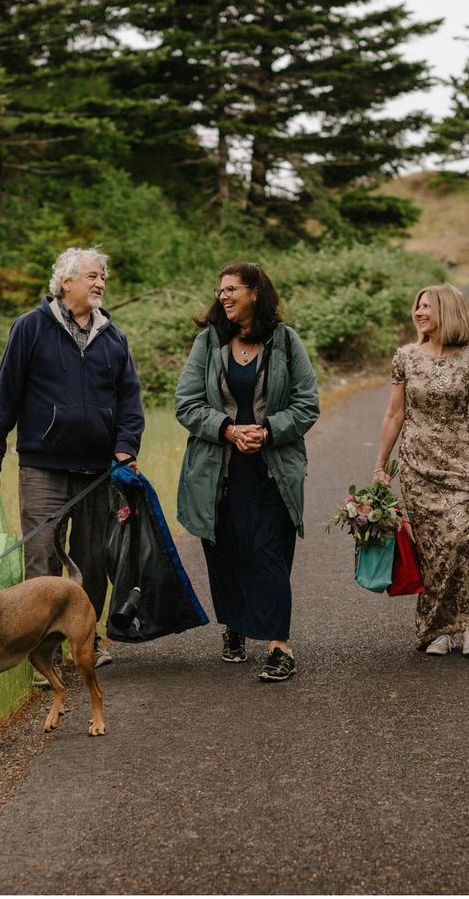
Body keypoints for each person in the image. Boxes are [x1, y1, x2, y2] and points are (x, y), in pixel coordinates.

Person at [0, 246, 145, 673]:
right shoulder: (30, 327)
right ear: (65, 281)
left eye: (103, 277)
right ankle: (43, 655)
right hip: (42, 467)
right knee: (42, 561)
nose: (100, 283)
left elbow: (130, 401)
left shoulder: (113, 336)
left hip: (98, 470)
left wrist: (126, 448)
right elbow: (6, 395)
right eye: (92, 276)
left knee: (92, 561)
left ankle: (86, 644)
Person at [174, 262, 319, 683]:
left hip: (273, 469)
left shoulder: (286, 342)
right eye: (220, 290)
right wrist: (227, 429)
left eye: (232, 288)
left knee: (269, 550)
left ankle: (278, 645)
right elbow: (186, 403)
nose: (223, 296)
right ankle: (234, 626)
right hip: (217, 469)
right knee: (226, 551)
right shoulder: (208, 342)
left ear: (255, 293)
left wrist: (268, 431)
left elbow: (307, 404)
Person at [373, 285, 469, 656]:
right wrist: (380, 466)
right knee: (433, 546)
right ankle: (440, 629)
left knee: (463, 539)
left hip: (461, 460)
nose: (419, 312)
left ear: (448, 311)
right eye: (418, 306)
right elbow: (394, 413)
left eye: (427, 306)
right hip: (418, 464)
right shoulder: (405, 356)